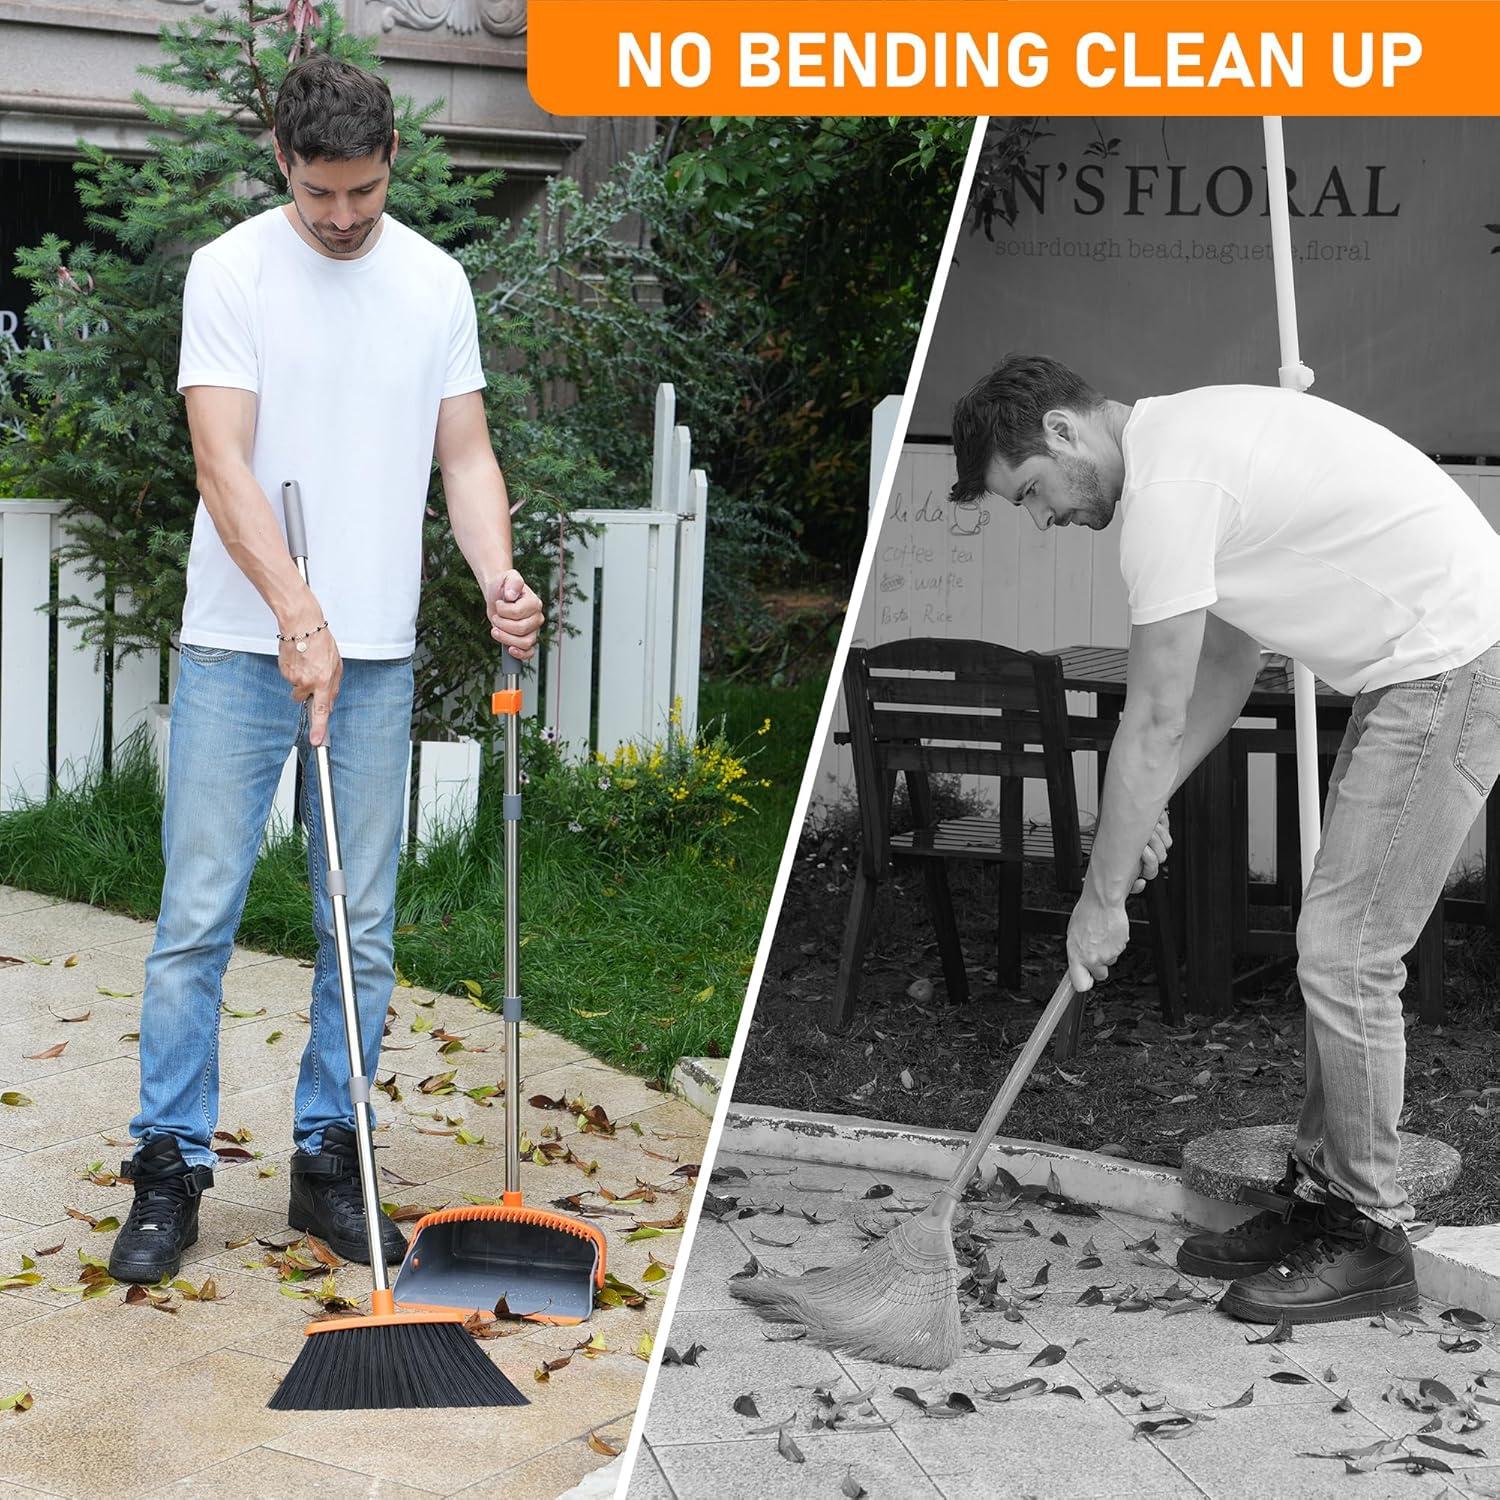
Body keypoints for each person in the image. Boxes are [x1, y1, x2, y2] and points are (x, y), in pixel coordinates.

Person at [108, 54, 542, 1283]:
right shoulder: (233, 270)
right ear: (284, 168)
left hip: (382, 660)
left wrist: (497, 575)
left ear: (390, 161)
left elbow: (464, 456)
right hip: (242, 650)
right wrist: (298, 611)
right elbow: (222, 464)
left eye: (361, 192)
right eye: (319, 194)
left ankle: (325, 1158)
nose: (342, 217)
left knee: (358, 928)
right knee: (198, 918)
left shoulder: (435, 282)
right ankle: (169, 1168)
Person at [950, 354, 1500, 1324]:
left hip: (1451, 660)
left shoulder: (1170, 486)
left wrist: (1100, 899)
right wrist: (1146, 801)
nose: (1043, 519)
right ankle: (1328, 1199)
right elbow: (1228, 665)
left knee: (1348, 953)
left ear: (1068, 434)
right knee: (1338, 948)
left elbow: (1154, 714)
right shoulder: (1186, 450)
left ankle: (1369, 1235)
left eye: (1032, 492)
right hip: (1417, 666)